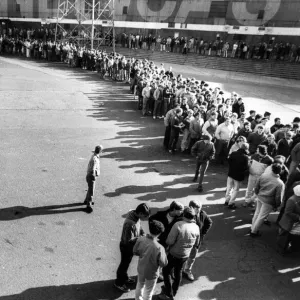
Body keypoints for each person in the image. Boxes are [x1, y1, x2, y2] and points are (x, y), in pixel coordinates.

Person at [159, 207, 200, 300]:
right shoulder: (196, 227)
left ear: (184, 215)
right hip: (185, 255)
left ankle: (168, 293)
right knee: (178, 273)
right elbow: (196, 244)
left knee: (166, 272)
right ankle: (174, 291)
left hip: (173, 254)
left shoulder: (178, 225)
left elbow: (169, 241)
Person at [115, 203, 150, 293]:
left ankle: (125, 277)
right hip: (126, 247)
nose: (145, 218)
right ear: (140, 213)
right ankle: (119, 282)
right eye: (145, 216)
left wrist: (143, 233)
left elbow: (140, 227)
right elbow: (128, 240)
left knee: (127, 263)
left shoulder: (135, 216)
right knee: (124, 264)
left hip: (130, 246)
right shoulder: (130, 223)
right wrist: (141, 238)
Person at [133, 220, 168, 300]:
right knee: (148, 291)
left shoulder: (141, 239)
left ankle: (137, 299)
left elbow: (135, 251)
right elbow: (163, 263)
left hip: (141, 269)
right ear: (159, 233)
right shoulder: (159, 247)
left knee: (139, 285)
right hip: (152, 273)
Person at [250, 163, 285, 237]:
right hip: (268, 202)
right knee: (261, 217)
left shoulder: (263, 175)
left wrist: (257, 194)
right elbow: (278, 197)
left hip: (260, 197)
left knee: (257, 213)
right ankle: (254, 232)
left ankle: (252, 228)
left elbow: (257, 186)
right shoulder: (280, 183)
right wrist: (277, 206)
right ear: (280, 171)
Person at [183, 200, 213, 281]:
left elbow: (209, 222)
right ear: (191, 208)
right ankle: (178, 270)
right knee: (182, 256)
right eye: (197, 209)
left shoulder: (202, 213)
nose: (199, 210)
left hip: (196, 242)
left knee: (192, 257)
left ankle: (187, 270)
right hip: (185, 241)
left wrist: (202, 233)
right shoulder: (186, 214)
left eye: (200, 208)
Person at [225, 143, 250, 209]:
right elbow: (246, 167)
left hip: (231, 173)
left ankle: (227, 200)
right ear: (246, 149)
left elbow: (229, 161)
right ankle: (231, 203)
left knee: (229, 188)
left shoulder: (233, 153)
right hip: (238, 176)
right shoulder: (245, 157)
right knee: (235, 190)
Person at [277, 185, 300, 255]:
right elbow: (288, 212)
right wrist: (298, 217)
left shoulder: (296, 199)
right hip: (288, 223)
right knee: (285, 238)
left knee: (294, 237)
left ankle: (293, 249)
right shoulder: (292, 200)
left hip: (294, 223)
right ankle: (282, 250)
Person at [84, 145, 103, 212]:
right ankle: (89, 204)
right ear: (100, 151)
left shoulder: (94, 156)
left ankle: (86, 200)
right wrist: (94, 176)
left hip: (89, 175)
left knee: (90, 188)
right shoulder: (95, 159)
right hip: (91, 176)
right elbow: (93, 169)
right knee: (91, 191)